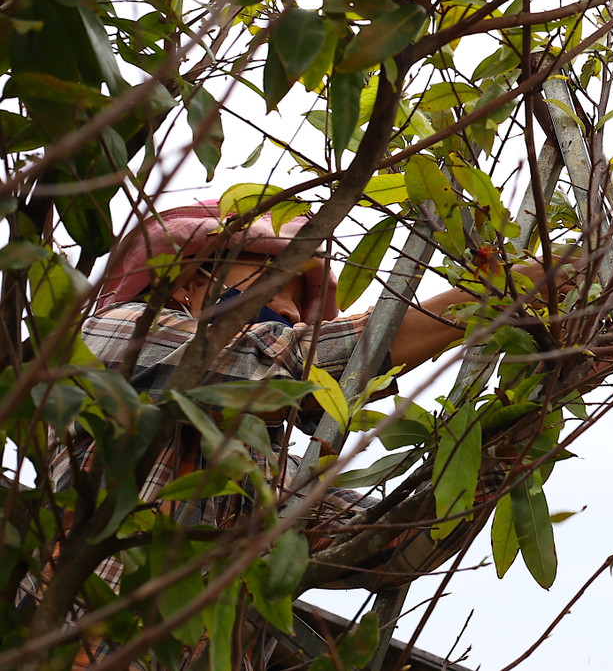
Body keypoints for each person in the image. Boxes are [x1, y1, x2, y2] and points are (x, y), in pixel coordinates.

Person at [41, 199, 563, 664]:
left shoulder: (277, 467)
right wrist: (495, 295)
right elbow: (276, 368)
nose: (291, 311)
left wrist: (516, 422)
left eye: (300, 302)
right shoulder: (116, 334)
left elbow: (393, 545)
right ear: (189, 281)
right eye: (276, 279)